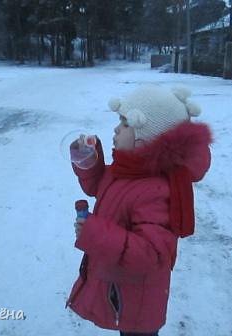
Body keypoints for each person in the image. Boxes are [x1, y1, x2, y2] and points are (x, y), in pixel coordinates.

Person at [65, 84, 213, 335]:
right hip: (122, 287)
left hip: (137, 302)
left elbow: (151, 254)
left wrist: (94, 232)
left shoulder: (156, 191)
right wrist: (90, 161)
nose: (116, 128)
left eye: (124, 123)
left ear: (146, 138)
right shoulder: (128, 170)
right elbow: (101, 188)